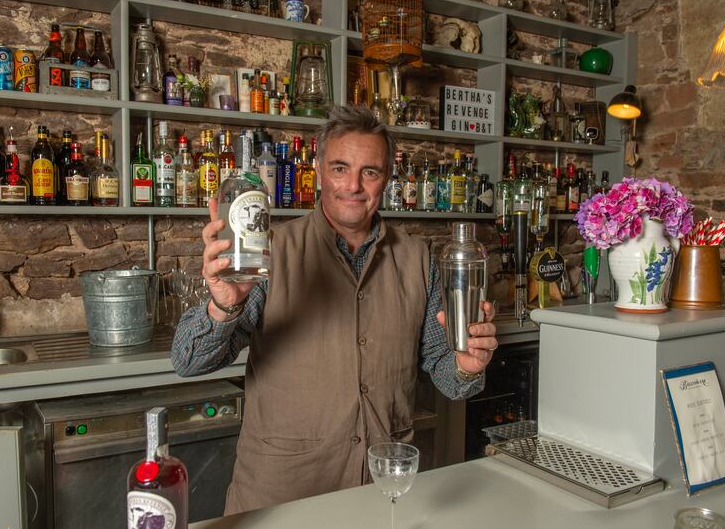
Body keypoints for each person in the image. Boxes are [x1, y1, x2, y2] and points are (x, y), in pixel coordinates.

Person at [170, 106, 498, 515]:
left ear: (387, 178)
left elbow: (447, 377)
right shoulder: (268, 251)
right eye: (341, 169)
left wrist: (467, 365)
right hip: (281, 497)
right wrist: (223, 304)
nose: (354, 186)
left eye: (371, 172)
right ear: (319, 171)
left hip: (380, 490)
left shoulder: (418, 260)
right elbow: (187, 361)